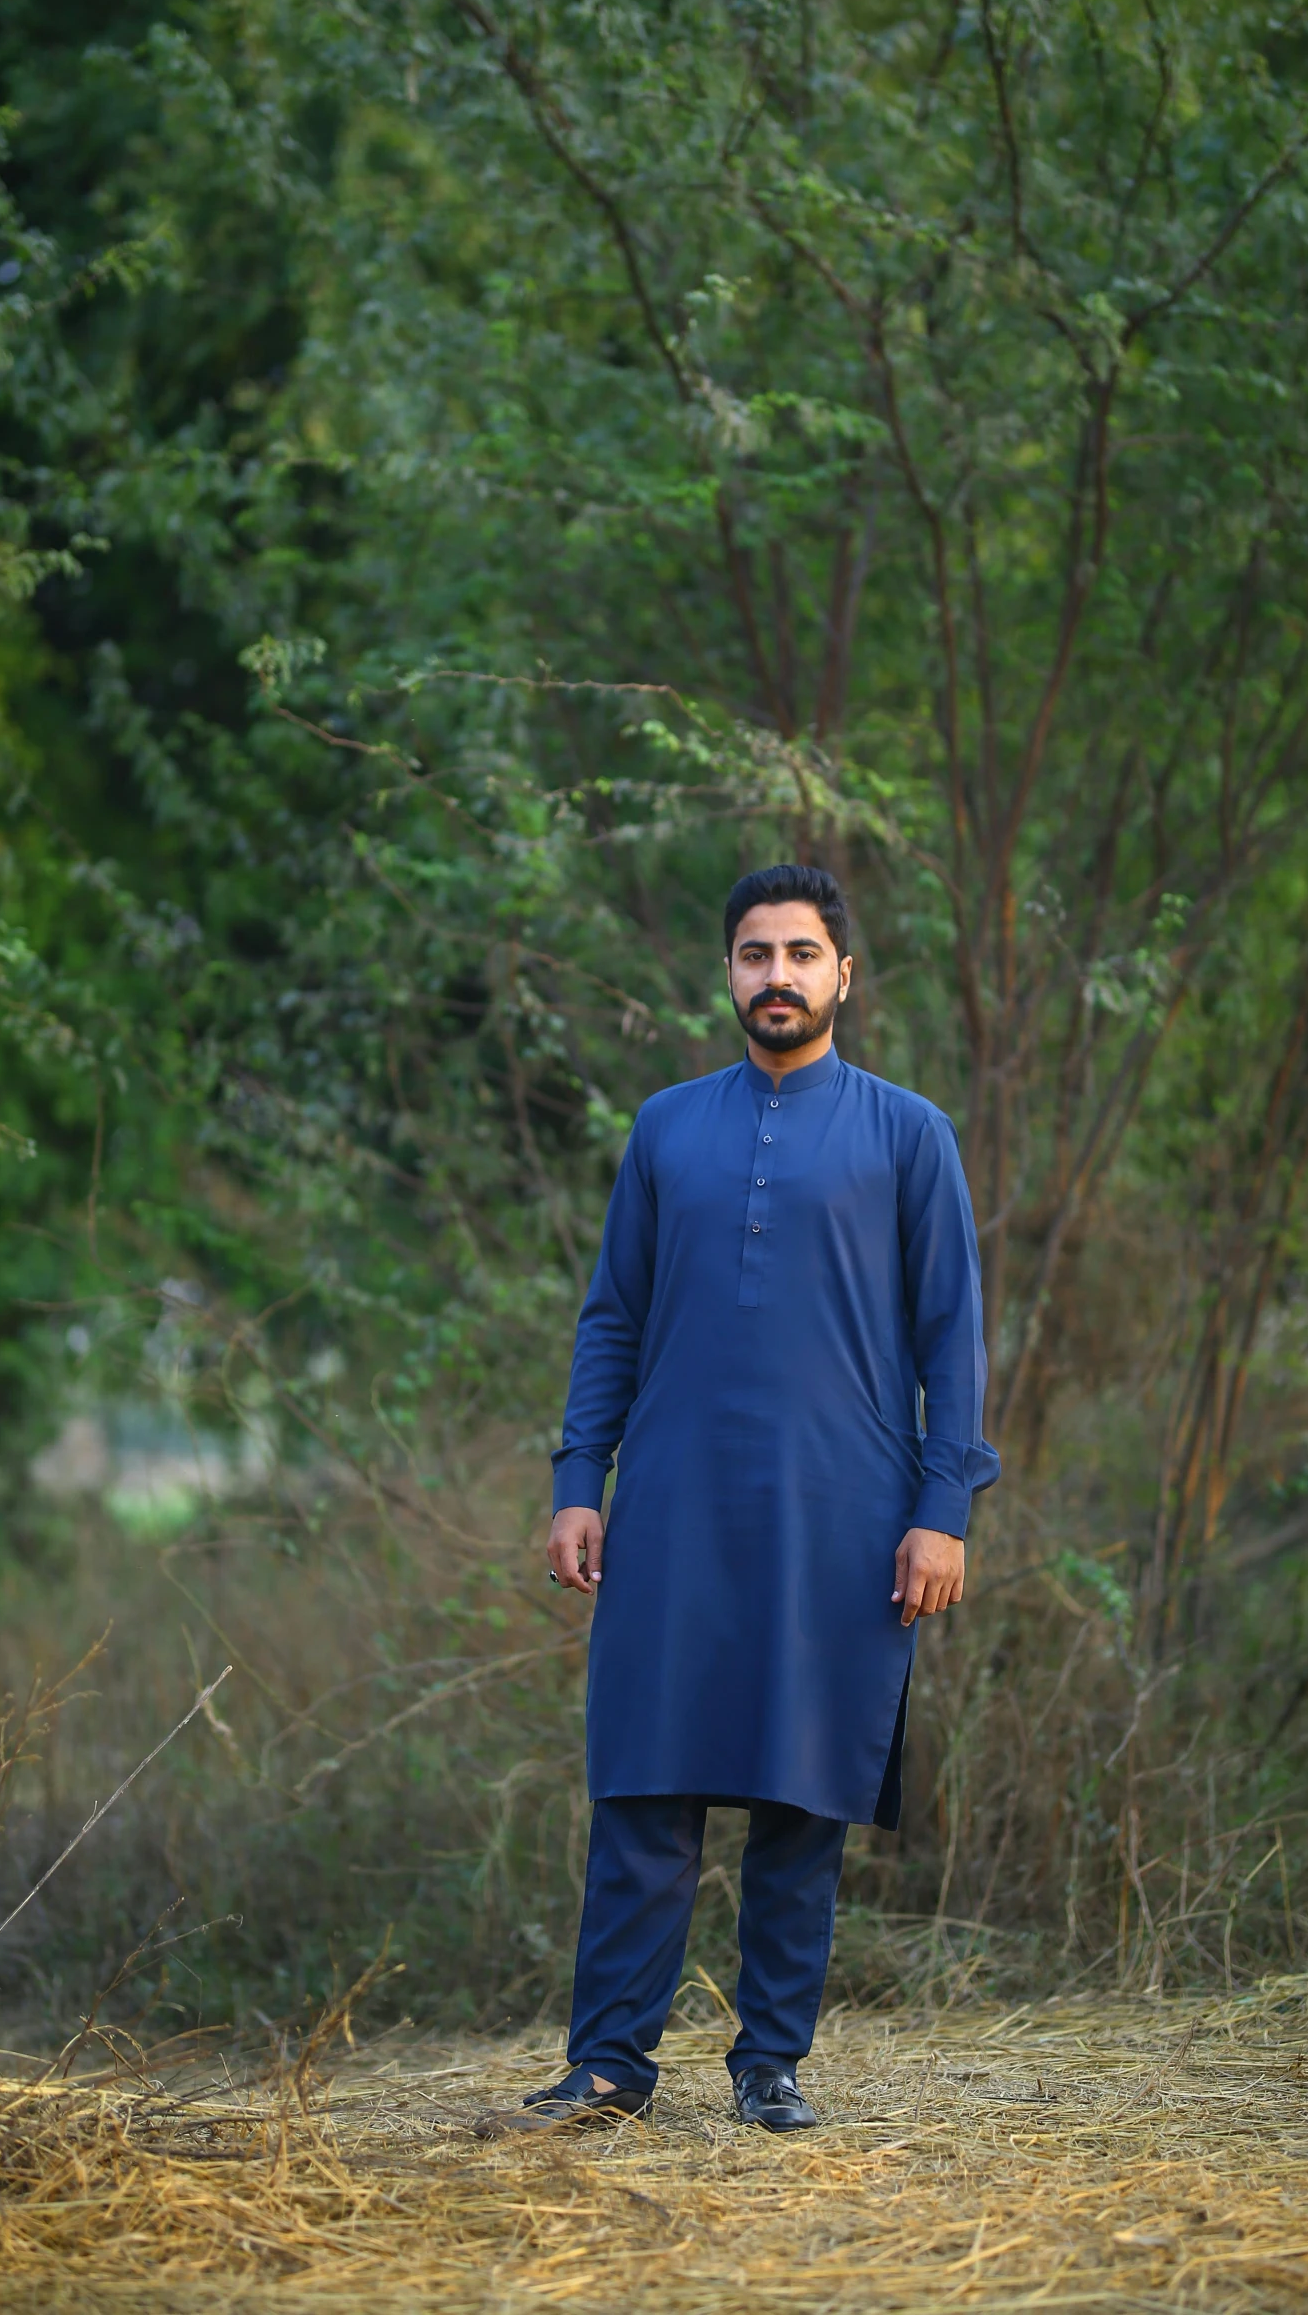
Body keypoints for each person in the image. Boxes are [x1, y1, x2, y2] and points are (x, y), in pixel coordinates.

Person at [481, 865, 998, 2137]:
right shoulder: (666, 1127)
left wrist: (945, 1507)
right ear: (727, 973)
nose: (778, 975)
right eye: (755, 954)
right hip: (668, 1508)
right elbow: (612, 1317)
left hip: (841, 1514)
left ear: (842, 975)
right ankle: (608, 2065)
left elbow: (954, 1338)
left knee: (800, 1795)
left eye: (802, 954)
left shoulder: (906, 1133)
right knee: (644, 1788)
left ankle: (770, 2060)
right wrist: (573, 1482)